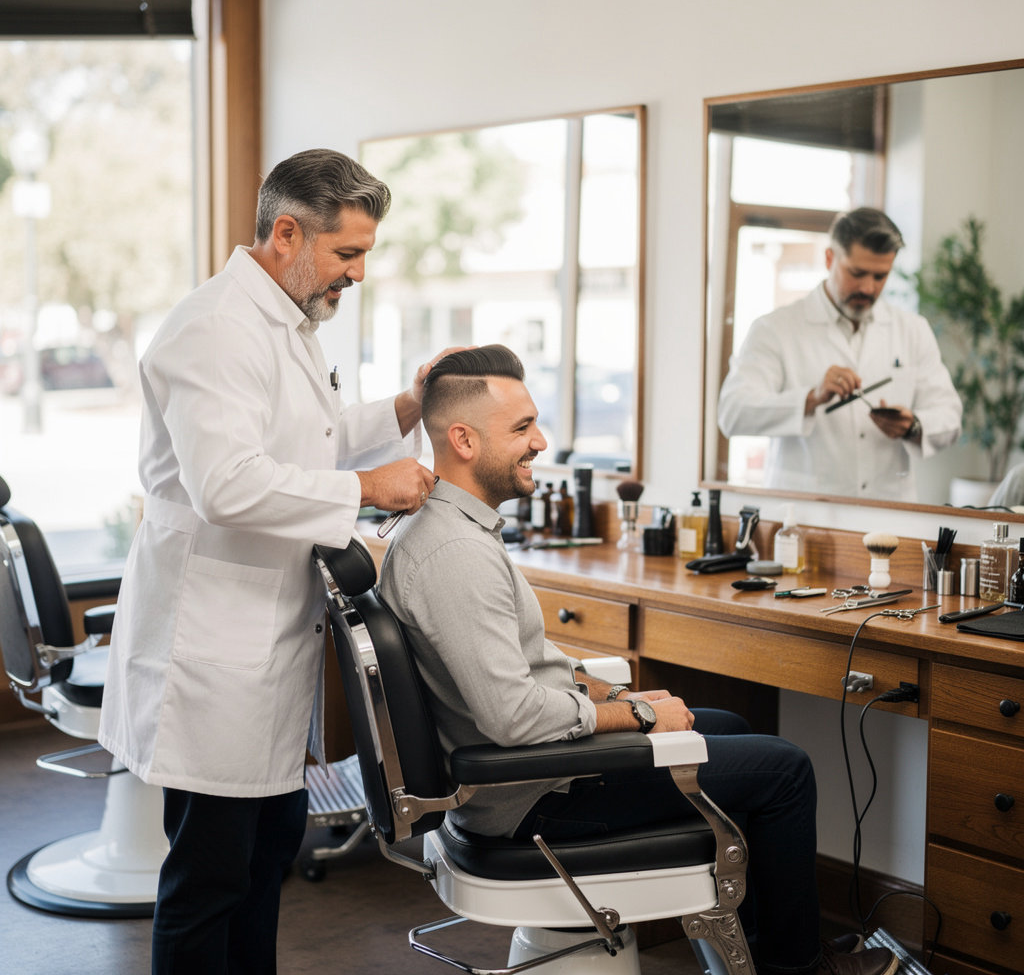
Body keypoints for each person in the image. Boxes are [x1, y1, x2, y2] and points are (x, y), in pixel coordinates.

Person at [377, 344, 897, 975]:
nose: (540, 442)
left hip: (527, 773)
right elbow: (512, 716)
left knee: (725, 728)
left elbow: (532, 669)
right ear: (462, 439)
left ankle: (769, 953)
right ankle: (799, 969)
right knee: (784, 771)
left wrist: (616, 698)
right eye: (521, 429)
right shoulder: (451, 553)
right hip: (531, 797)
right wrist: (641, 720)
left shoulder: (456, 531)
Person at [98, 148, 453, 975]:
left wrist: (404, 407)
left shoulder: (284, 320)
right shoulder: (216, 329)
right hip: (208, 650)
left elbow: (307, 440)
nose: (359, 273)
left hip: (263, 649)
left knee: (265, 862)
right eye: (347, 254)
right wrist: (368, 486)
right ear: (287, 233)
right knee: (211, 877)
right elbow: (228, 485)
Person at [717, 207, 962, 499]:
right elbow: (733, 413)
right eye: (857, 273)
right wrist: (810, 398)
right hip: (804, 512)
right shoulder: (774, 329)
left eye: (880, 276)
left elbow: (949, 416)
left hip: (889, 514)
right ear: (830, 258)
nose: (868, 287)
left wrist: (913, 426)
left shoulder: (913, 330)